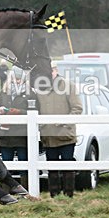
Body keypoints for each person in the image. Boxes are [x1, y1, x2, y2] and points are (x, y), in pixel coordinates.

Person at [36, 67, 83, 197]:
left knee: (67, 164)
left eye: (51, 70)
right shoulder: (39, 88)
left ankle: (69, 194)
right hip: (48, 135)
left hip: (66, 134)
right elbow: (36, 110)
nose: (49, 73)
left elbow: (77, 108)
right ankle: (54, 195)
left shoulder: (69, 86)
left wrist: (64, 122)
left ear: (56, 71)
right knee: (51, 165)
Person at [0, 66, 35, 187]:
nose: (16, 81)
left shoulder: (30, 93)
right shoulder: (4, 92)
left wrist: (19, 112)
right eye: (14, 78)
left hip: (22, 135)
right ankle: (6, 190)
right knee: (6, 165)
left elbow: (35, 111)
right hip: (5, 135)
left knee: (24, 165)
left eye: (19, 78)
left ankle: (25, 190)